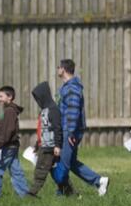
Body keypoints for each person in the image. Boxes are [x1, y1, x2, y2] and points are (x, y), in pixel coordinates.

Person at [52, 59, 109, 196]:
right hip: (67, 129)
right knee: (70, 163)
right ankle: (99, 181)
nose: (57, 69)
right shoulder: (68, 87)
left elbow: (73, 110)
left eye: (58, 67)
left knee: (63, 164)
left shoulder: (72, 88)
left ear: (63, 69)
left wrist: (71, 132)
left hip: (68, 130)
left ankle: (62, 194)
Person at [0, 86, 29, 199]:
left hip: (7, 146)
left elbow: (8, 131)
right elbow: (2, 128)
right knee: (16, 171)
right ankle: (25, 195)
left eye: (1, 96)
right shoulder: (7, 110)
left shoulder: (9, 111)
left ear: (10, 97)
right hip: (12, 146)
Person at [28, 82, 66, 196]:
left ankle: (32, 193)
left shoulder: (53, 110)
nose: (37, 101)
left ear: (44, 96)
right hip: (43, 146)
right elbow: (42, 130)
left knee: (41, 170)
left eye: (38, 98)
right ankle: (69, 191)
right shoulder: (44, 111)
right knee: (55, 172)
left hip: (50, 147)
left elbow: (57, 129)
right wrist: (37, 145)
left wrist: (58, 146)